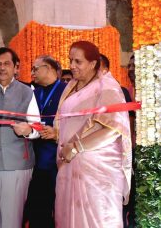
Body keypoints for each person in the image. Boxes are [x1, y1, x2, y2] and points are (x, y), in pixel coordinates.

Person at [55, 41, 132, 227]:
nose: (72, 66)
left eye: (78, 62)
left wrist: (76, 147)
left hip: (97, 169)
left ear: (93, 64)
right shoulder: (72, 86)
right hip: (68, 164)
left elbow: (114, 129)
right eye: (70, 60)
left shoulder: (106, 87)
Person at [0, 47, 40, 228]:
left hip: (18, 162)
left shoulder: (28, 92)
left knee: (13, 218)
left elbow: (37, 126)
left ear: (15, 67)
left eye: (6, 64)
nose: (2, 68)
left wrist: (28, 130)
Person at [25, 55, 66, 228]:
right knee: (36, 210)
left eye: (35, 68)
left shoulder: (67, 92)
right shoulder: (33, 92)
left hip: (58, 161)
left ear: (49, 68)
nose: (32, 72)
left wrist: (58, 133)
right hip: (35, 159)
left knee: (58, 210)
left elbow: (79, 125)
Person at [99, 53, 136, 228]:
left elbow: (126, 125)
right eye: (129, 66)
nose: (130, 69)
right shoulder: (122, 90)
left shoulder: (119, 91)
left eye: (134, 65)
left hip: (127, 154)